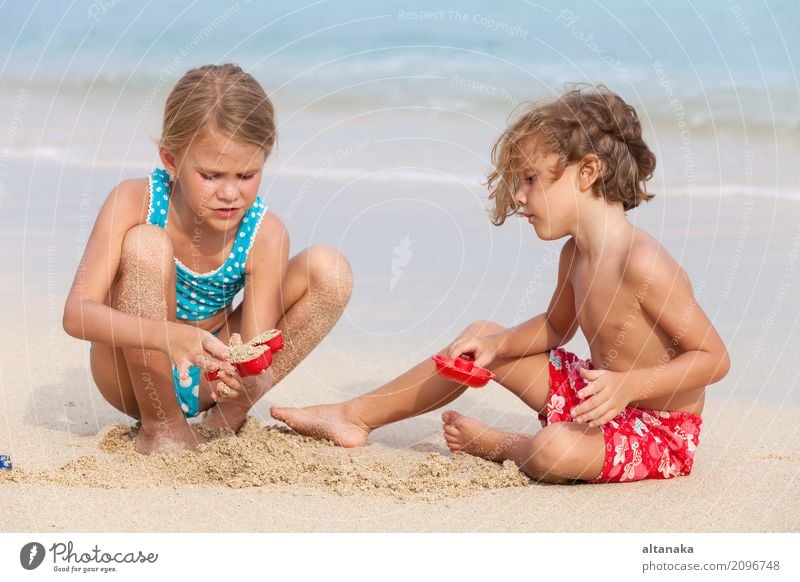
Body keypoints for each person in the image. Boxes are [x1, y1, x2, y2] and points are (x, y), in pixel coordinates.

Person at [271, 84, 730, 484]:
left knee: (555, 449)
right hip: (599, 397)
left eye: (531, 179)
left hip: (658, 429)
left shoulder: (643, 262)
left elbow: (714, 358)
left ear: (587, 173)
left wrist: (628, 386)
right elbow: (556, 327)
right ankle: (355, 417)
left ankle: (506, 446)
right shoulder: (575, 254)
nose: (519, 195)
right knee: (478, 339)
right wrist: (496, 344)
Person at [63, 64, 353, 454]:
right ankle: (162, 426)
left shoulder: (265, 234)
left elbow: (252, 345)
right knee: (146, 244)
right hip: (131, 376)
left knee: (329, 271)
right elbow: (77, 314)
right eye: (211, 175)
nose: (231, 193)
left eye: (247, 175)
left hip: (207, 380)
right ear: (171, 159)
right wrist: (169, 337)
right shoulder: (134, 201)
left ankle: (223, 422)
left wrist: (246, 381)